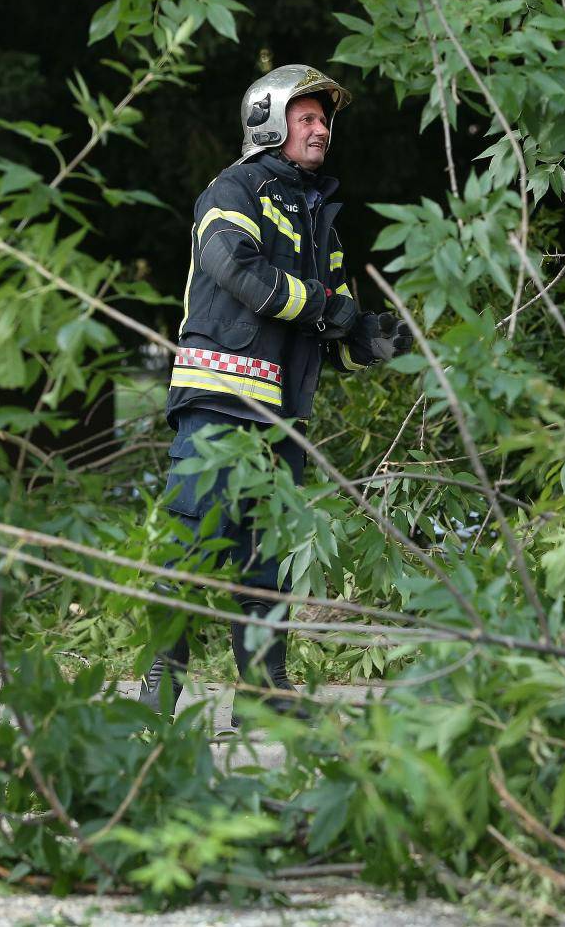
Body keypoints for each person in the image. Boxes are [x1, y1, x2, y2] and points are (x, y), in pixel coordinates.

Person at [140, 65, 413, 721]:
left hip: (281, 417)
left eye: (325, 120)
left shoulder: (323, 220)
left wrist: (384, 340)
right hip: (219, 402)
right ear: (269, 121)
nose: (321, 130)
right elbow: (237, 269)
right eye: (307, 118)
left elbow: (339, 335)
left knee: (267, 556)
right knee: (194, 543)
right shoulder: (234, 189)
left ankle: (264, 695)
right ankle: (159, 688)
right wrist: (328, 307)